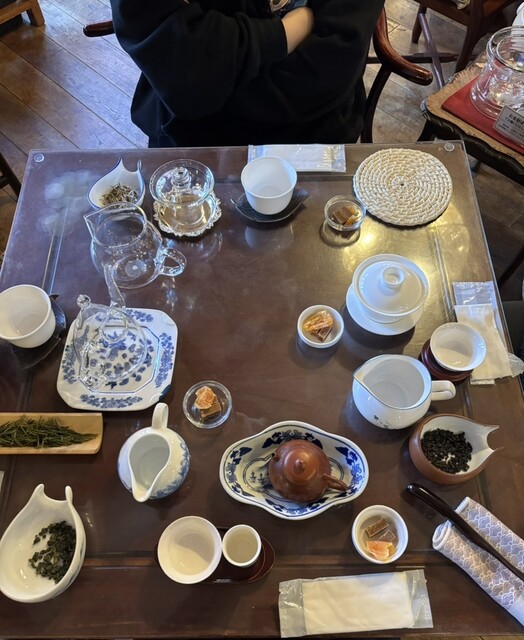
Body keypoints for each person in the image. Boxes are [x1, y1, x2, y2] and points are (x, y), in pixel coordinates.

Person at [109, 0, 384, 147]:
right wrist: (284, 33)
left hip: (316, 136)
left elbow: (332, 61)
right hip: (195, 141)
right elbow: (183, 68)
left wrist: (214, 74)